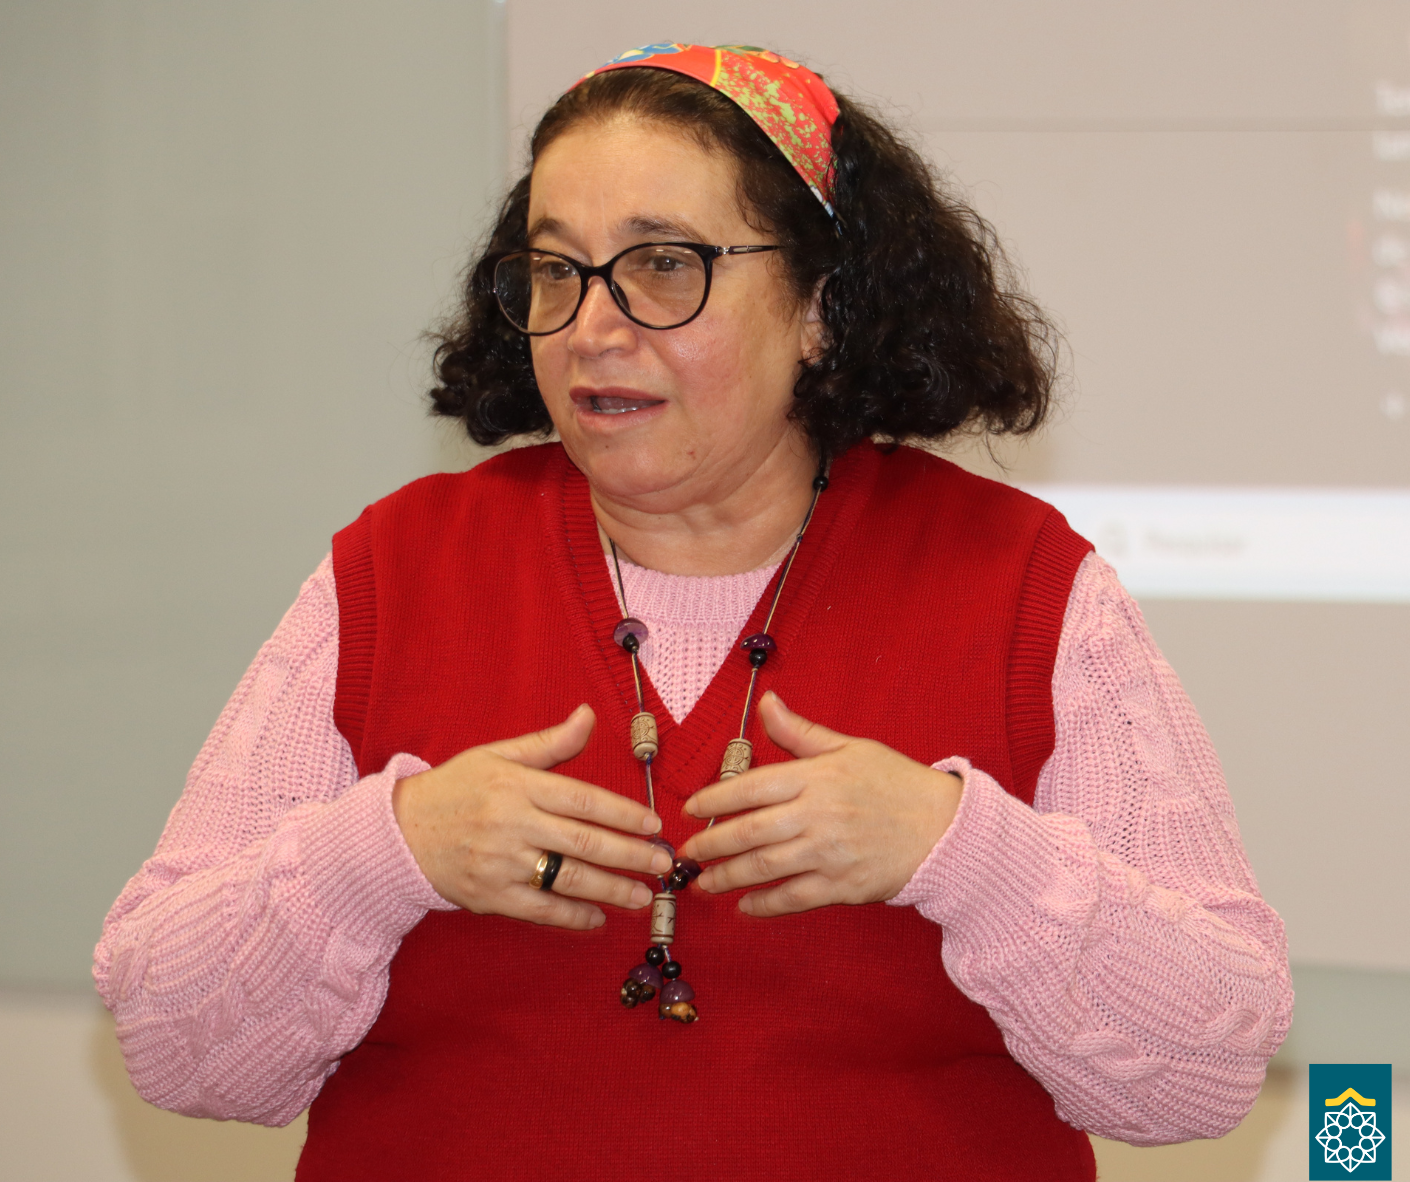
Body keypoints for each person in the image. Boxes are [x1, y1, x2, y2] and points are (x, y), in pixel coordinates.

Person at [94, 43, 1293, 1181]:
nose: (591, 328)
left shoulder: (1025, 584)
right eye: (556, 272)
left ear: (820, 306)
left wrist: (960, 850)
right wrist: (389, 852)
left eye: (664, 265)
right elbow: (171, 1046)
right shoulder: (392, 570)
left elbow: (1206, 1073)